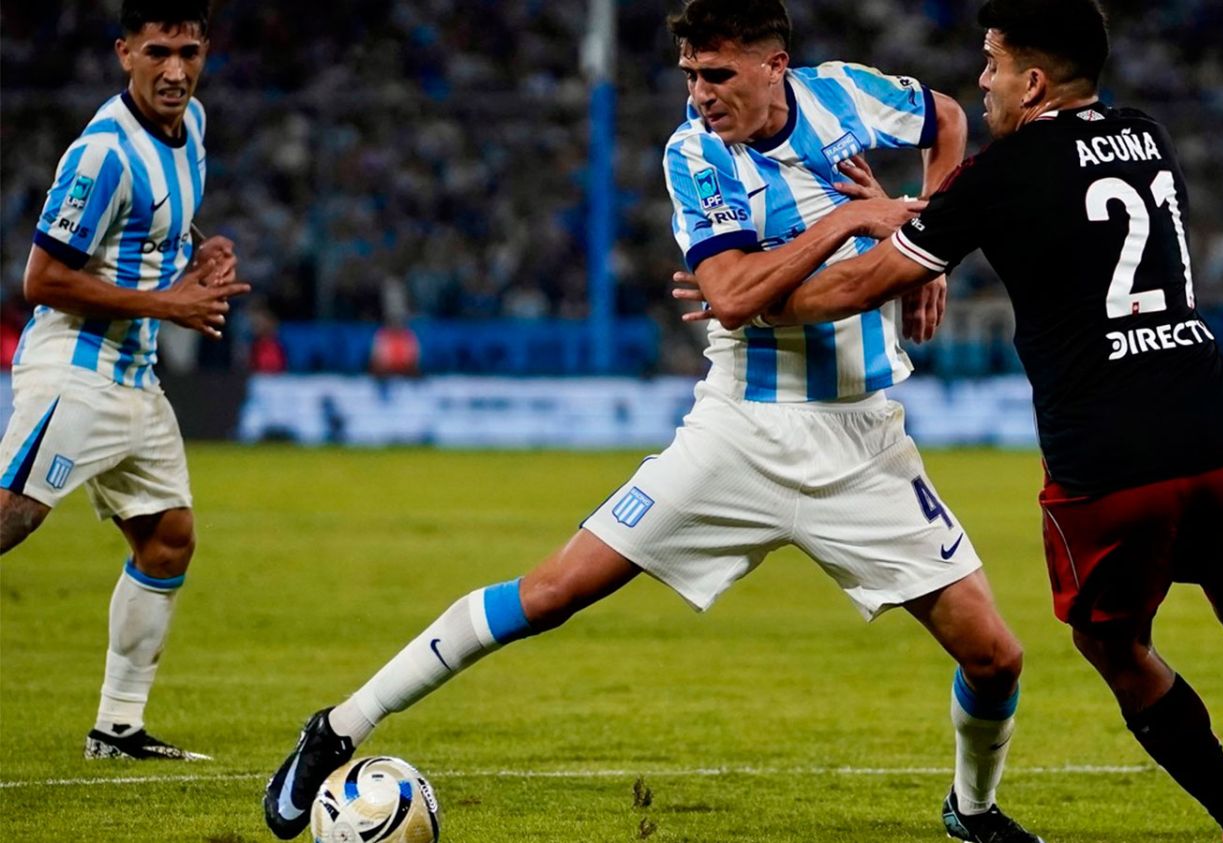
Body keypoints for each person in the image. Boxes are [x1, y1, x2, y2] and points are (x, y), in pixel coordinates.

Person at [263, 2, 1041, 842]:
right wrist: (855, 219)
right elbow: (732, 297)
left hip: (862, 441)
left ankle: (972, 811)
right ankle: (339, 726)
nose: (701, 94)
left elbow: (947, 119)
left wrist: (930, 249)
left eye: (719, 74)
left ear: (775, 65)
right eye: (691, 75)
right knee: (552, 592)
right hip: (739, 433)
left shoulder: (845, 94)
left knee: (996, 656)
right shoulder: (695, 153)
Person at [676, 2, 1223, 842]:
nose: (980, 81)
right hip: (1211, 416)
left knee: (1114, 642)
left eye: (992, 64)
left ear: (1031, 82)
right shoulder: (1148, 135)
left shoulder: (1000, 174)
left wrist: (750, 296)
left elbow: (851, 288)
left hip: (1104, 447)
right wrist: (915, 210)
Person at [0, 0, 250, 760]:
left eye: (188, 53)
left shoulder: (192, 125)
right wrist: (168, 303)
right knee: (11, 519)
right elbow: (42, 279)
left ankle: (117, 730)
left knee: (168, 539)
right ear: (124, 53)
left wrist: (201, 252)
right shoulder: (101, 154)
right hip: (75, 370)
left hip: (135, 375)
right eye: (157, 53)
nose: (174, 71)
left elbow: (154, 228)